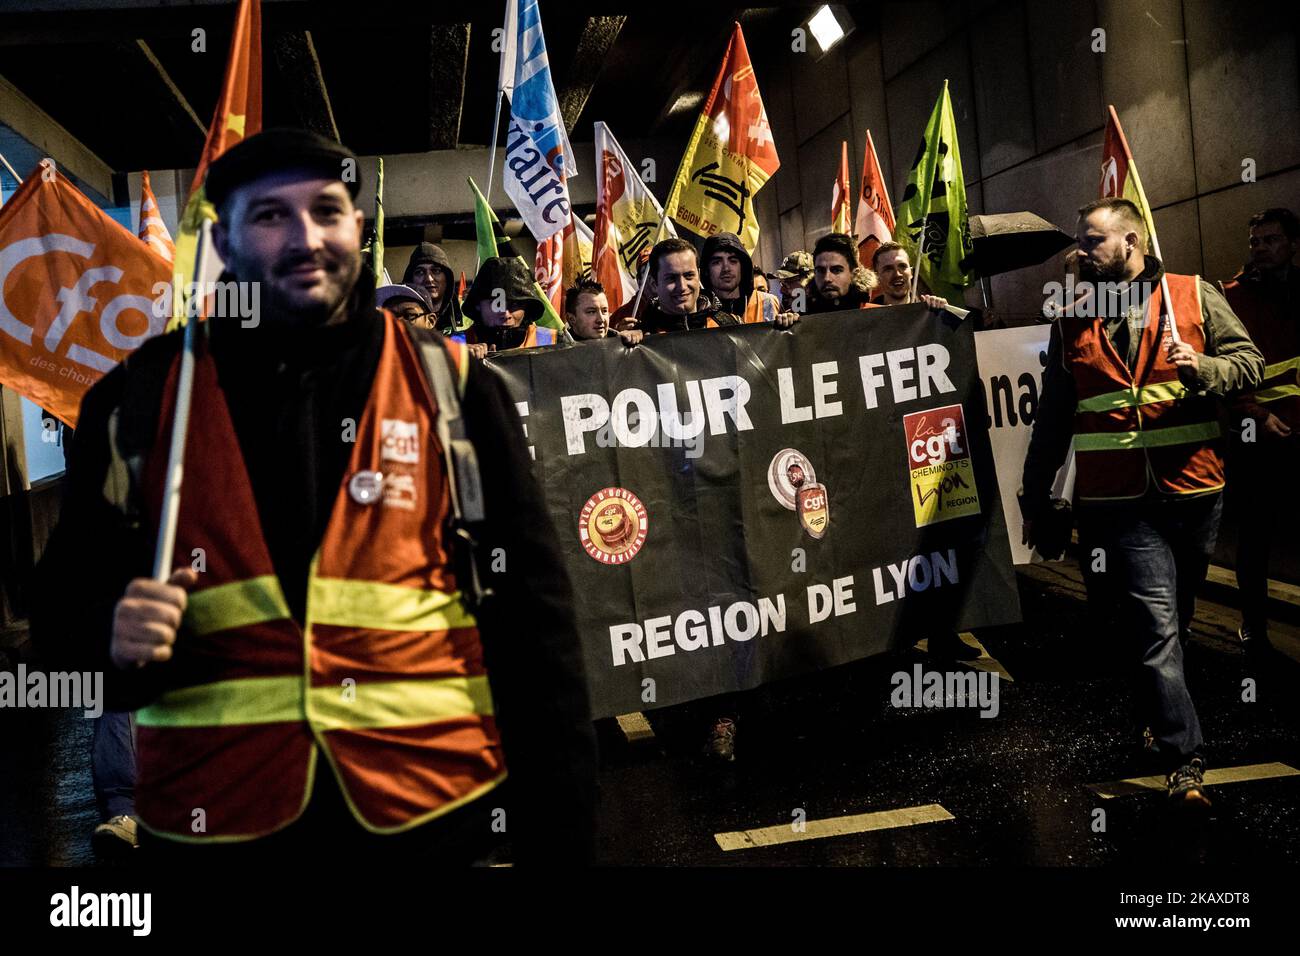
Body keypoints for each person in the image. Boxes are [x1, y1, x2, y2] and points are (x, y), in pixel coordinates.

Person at [30, 128, 597, 864]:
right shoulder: (136, 403)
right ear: (225, 246)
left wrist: (565, 845)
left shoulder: (453, 389)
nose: (306, 237)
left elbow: (536, 635)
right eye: (270, 216)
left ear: (357, 230)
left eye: (327, 211)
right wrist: (106, 640)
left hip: (434, 826)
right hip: (218, 834)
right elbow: (52, 650)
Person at [1020, 197, 1263, 809]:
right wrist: (1035, 491)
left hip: (1195, 489)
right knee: (1158, 627)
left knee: (1175, 622)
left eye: (1093, 240)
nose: (1081, 252)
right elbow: (1054, 418)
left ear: (1131, 242)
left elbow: (1249, 366)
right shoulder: (1072, 319)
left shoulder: (1193, 294)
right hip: (1119, 503)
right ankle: (1187, 762)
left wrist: (1203, 367)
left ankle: (1157, 714)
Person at [1220, 207, 1300, 656]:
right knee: (1255, 536)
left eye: (1270, 240)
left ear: (1292, 244)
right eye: (1255, 241)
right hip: (1256, 437)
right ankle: (1253, 625)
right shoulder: (1231, 296)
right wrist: (1252, 415)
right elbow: (1227, 370)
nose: (1261, 248)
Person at [462, 256, 563, 356]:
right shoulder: (454, 345)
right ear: (477, 305)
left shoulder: (555, 342)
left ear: (527, 306)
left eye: (515, 304)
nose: (506, 314)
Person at [700, 231, 786, 324]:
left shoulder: (769, 302)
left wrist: (790, 321)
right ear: (706, 270)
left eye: (733, 261)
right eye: (717, 262)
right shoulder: (698, 311)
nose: (726, 268)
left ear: (743, 266)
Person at [804, 232, 880, 313]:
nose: (827, 278)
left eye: (836, 270)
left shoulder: (877, 314)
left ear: (854, 274)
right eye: (820, 271)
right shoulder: (801, 315)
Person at [403, 241, 468, 335]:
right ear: (410, 280)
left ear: (447, 278)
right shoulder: (400, 320)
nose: (429, 279)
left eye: (436, 271)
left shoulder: (465, 318)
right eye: (420, 272)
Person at [870, 241, 949, 310]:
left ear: (911, 272)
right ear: (877, 277)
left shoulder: (931, 310)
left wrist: (945, 314)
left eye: (902, 266)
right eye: (888, 269)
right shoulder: (867, 317)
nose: (897, 274)